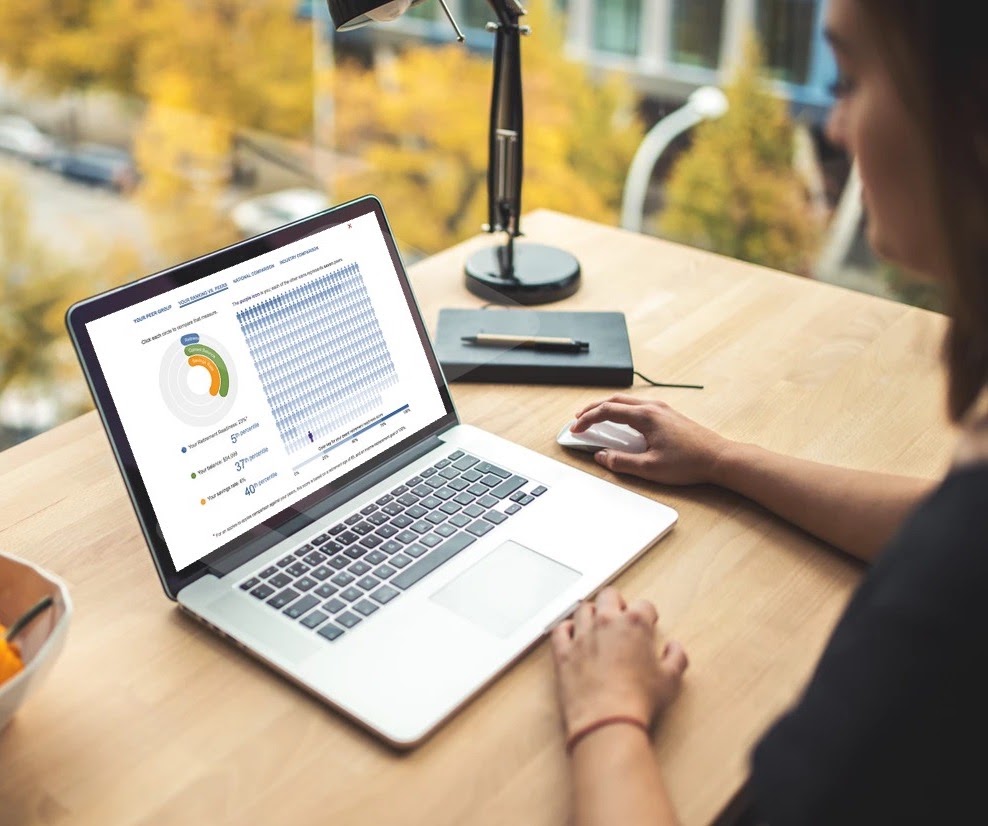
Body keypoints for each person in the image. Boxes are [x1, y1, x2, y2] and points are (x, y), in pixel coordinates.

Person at [550, 0, 988, 823]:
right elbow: (947, 522)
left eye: (853, 80)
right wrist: (723, 459)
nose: (834, 128)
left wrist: (605, 710)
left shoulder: (947, 614)